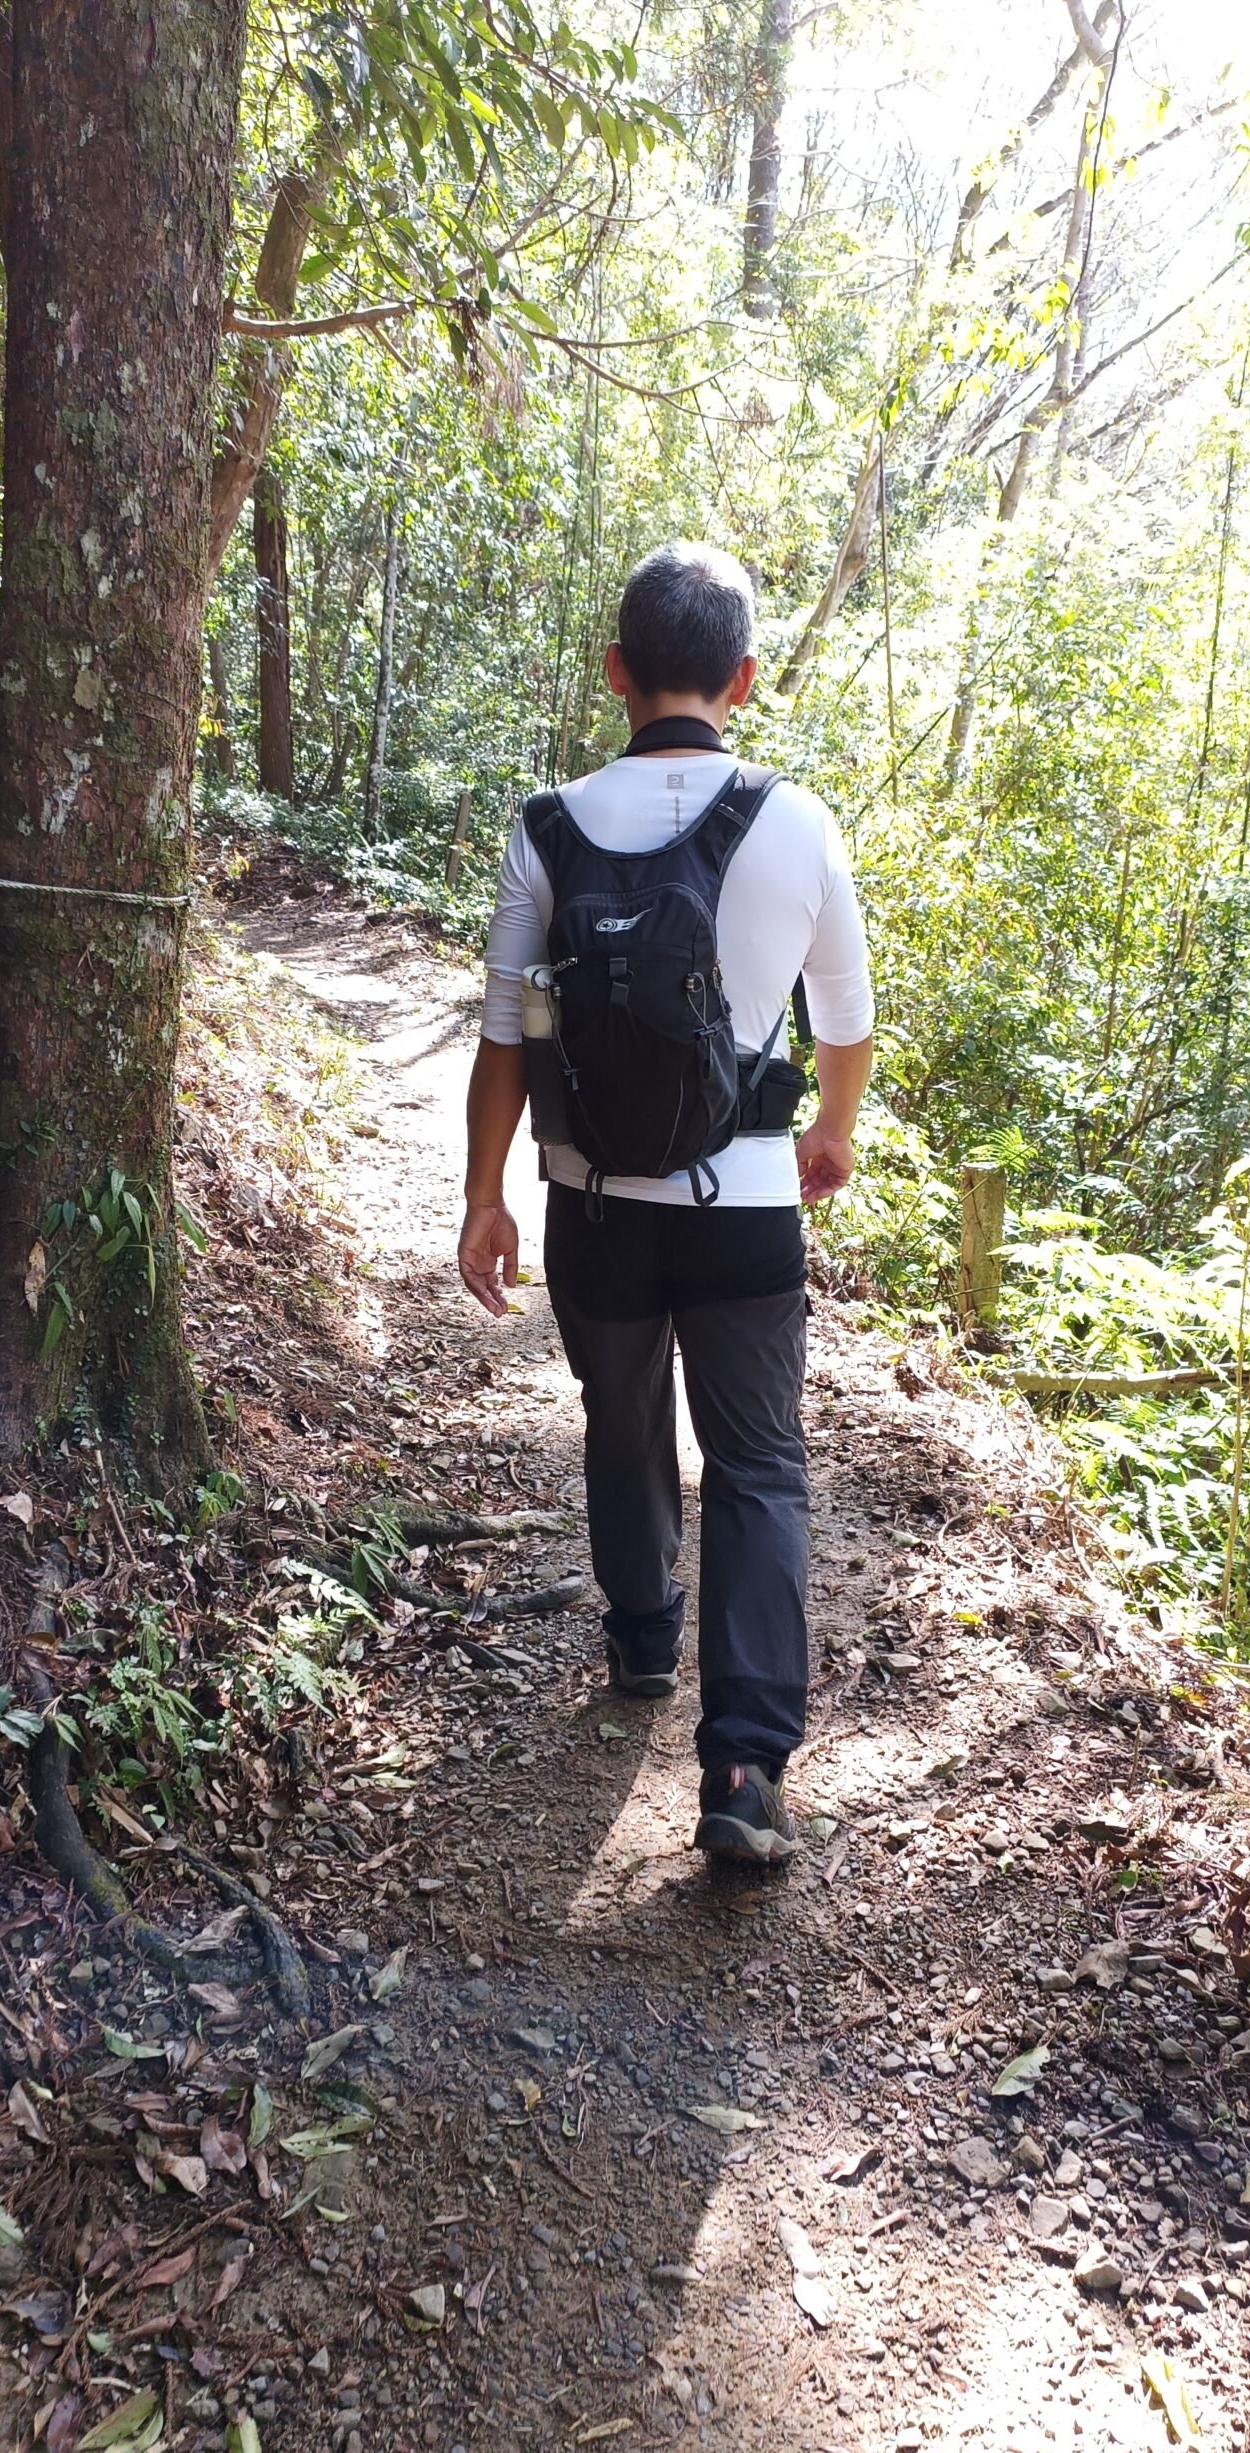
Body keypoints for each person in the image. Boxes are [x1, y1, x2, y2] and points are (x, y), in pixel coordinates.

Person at [457, 540, 873, 1864]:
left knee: (623, 1414)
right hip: (745, 1205)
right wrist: (831, 1132)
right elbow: (846, 1020)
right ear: (742, 679)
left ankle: (642, 1639)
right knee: (757, 1462)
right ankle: (744, 1770)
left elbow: (506, 1037)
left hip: (594, 1204)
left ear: (616, 672)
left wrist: (483, 1196)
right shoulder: (798, 822)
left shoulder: (546, 827)